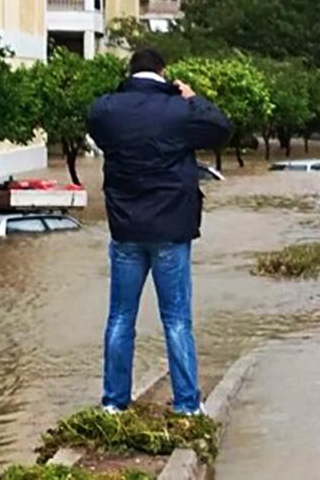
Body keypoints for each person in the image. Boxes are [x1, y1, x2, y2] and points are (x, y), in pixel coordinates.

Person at [87, 49, 232, 416]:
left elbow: (97, 124)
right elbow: (220, 128)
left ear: (130, 71)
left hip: (126, 229)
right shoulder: (179, 111)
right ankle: (187, 404)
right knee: (177, 320)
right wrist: (190, 96)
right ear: (163, 72)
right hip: (171, 229)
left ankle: (114, 402)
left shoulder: (107, 110)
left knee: (120, 318)